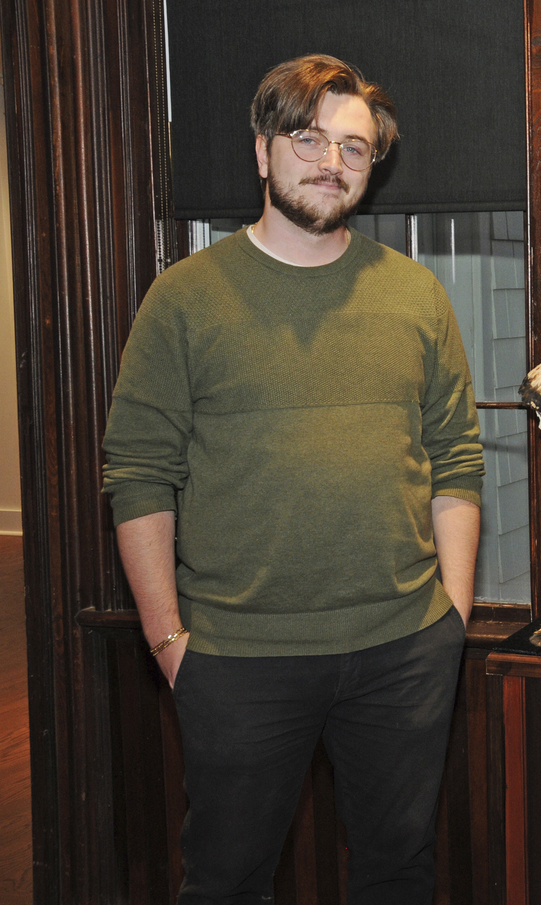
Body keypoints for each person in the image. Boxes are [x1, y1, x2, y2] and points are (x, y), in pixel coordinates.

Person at [102, 55, 484, 904]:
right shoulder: (184, 299)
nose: (330, 163)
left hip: (402, 652)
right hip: (238, 660)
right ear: (262, 150)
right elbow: (138, 475)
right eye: (307, 138)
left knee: (398, 872)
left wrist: (450, 618)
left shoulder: (416, 296)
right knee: (228, 880)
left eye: (354, 148)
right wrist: (170, 643)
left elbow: (456, 456)